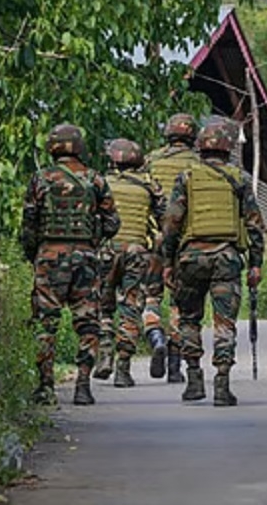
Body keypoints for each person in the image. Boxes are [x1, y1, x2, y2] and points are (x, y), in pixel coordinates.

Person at [160, 120, 265, 407]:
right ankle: (222, 384)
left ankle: (194, 379)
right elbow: (255, 225)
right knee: (224, 323)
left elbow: (171, 223)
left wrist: (167, 262)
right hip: (226, 259)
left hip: (190, 259)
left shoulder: (187, 177)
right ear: (227, 149)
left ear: (201, 148)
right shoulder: (239, 178)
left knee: (189, 319)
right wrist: (256, 264)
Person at [20, 123, 120, 406]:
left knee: (45, 323)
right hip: (85, 258)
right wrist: (92, 239)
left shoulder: (40, 179)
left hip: (49, 256)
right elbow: (113, 222)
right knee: (88, 322)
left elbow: (29, 223)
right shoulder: (95, 179)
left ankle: (45, 388)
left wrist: (34, 254)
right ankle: (83, 386)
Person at [96, 138, 168, 387]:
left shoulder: (100, 183)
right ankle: (123, 369)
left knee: (102, 307)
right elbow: (166, 220)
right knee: (130, 307)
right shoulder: (149, 186)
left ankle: (104, 352)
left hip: (106, 251)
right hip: (138, 253)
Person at [144, 113, 202, 383]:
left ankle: (155, 337)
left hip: (154, 241)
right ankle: (176, 366)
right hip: (185, 243)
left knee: (151, 297)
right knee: (181, 304)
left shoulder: (151, 161)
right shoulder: (199, 165)